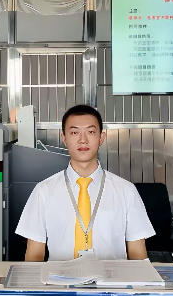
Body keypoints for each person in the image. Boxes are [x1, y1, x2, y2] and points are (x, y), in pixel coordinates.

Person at [15, 104, 155, 261]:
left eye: (91, 132)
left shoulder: (126, 191)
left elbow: (138, 254)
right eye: (75, 132)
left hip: (112, 277)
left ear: (101, 138)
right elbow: (34, 256)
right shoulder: (43, 191)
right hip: (60, 276)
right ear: (64, 138)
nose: (83, 140)